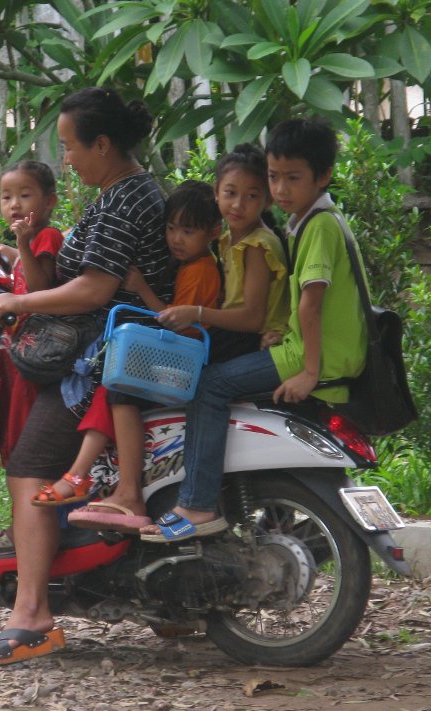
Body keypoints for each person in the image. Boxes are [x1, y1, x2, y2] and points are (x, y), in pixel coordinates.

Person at [0, 87, 169, 665]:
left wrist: (20, 306)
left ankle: (32, 614)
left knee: (29, 465)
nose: (66, 159)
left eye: (69, 147)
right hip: (112, 351)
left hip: (98, 359)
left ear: (103, 145)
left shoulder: (122, 202)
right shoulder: (128, 192)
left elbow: (93, 289)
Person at [140, 118, 368, 543]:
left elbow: (311, 303)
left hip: (311, 355)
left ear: (322, 177)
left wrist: (309, 372)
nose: (281, 190)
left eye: (292, 179)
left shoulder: (313, 227)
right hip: (302, 346)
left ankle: (197, 503)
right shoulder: (306, 220)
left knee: (209, 386)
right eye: (275, 178)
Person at [70, 143, 290, 530]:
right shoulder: (228, 242)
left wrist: (193, 312)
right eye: (230, 193)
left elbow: (252, 317)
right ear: (217, 193)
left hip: (239, 339)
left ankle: (131, 492)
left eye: (252, 195)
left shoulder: (257, 245)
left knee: (124, 386)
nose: (239, 203)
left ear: (268, 197)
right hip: (225, 335)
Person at [30, 180, 222, 507]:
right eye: (172, 228)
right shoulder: (191, 264)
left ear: (214, 232)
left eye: (188, 231)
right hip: (178, 352)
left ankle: (85, 476)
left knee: (117, 385)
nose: (176, 238)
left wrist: (141, 287)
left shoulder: (199, 271)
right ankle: (87, 474)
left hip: (182, 358)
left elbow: (176, 321)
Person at [0, 161, 64, 552]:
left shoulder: (47, 237)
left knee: (23, 448)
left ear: (49, 201)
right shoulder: (34, 239)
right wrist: (10, 251)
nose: (14, 205)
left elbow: (42, 285)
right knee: (13, 444)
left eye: (24, 195)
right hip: (19, 353)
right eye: (7, 197)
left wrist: (25, 247)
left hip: (35, 357)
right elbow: (23, 269)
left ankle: (22, 534)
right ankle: (21, 529)